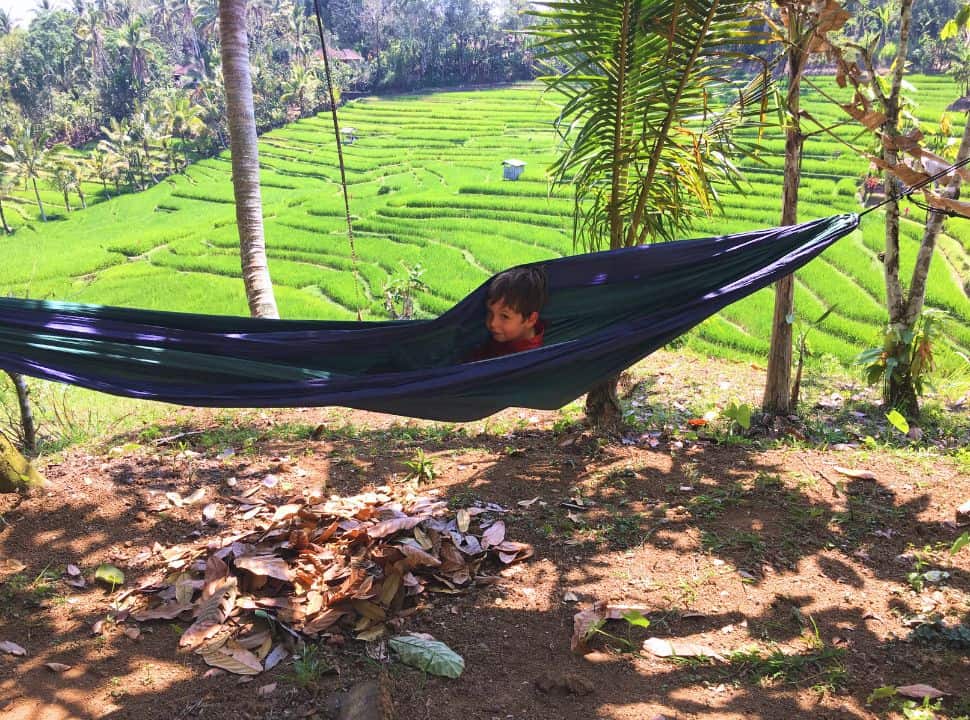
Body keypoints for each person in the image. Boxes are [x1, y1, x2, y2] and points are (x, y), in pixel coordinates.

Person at [467, 266, 548, 362]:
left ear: (530, 320)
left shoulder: (524, 360)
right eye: (490, 312)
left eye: (504, 316)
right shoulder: (507, 336)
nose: (492, 323)